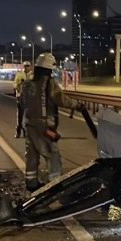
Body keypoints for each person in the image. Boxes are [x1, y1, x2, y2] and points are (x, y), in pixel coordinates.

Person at [20, 53, 85, 192]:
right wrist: (77, 105)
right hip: (44, 125)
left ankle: (31, 182)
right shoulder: (48, 83)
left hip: (29, 123)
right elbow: (60, 99)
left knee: (32, 154)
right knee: (52, 154)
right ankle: (54, 185)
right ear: (48, 68)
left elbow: (22, 102)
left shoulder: (28, 82)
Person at [13, 61, 33, 138]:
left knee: (28, 116)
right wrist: (18, 85)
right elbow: (14, 83)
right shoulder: (19, 74)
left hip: (30, 98)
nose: (26, 67)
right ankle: (18, 131)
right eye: (25, 66)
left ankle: (27, 131)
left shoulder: (33, 75)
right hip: (20, 96)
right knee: (20, 116)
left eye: (28, 66)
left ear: (30, 66)